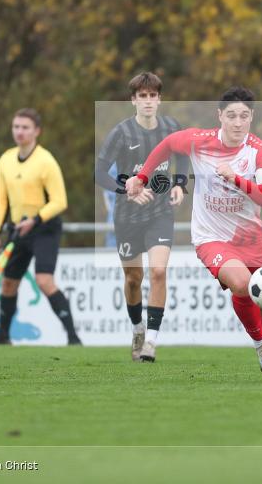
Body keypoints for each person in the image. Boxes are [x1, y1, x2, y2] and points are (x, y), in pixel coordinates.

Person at [126, 87, 262, 383]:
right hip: (210, 237)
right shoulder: (199, 141)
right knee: (242, 284)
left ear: (252, 117)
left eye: (244, 116)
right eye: (231, 116)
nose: (238, 122)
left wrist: (237, 179)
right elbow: (167, 144)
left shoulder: (259, 151)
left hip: (251, 239)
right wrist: (141, 177)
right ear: (220, 116)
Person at [95, 72, 186, 362]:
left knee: (158, 272)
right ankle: (138, 329)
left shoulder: (171, 127)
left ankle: (151, 342)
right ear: (133, 100)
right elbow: (99, 172)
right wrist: (126, 190)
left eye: (153, 96)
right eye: (142, 96)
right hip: (127, 217)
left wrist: (180, 184)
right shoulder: (121, 133)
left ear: (160, 99)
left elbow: (184, 155)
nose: (148, 101)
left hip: (160, 212)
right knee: (134, 278)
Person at [0, 108, 80, 345]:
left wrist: (35, 220)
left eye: (25, 127)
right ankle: (2, 336)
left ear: (37, 131)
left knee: (44, 281)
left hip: (44, 228)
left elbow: (60, 201)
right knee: (8, 283)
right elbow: (2, 201)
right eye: (16, 127)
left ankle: (73, 337)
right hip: (18, 230)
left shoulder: (46, 161)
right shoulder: (5, 160)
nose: (20, 132)